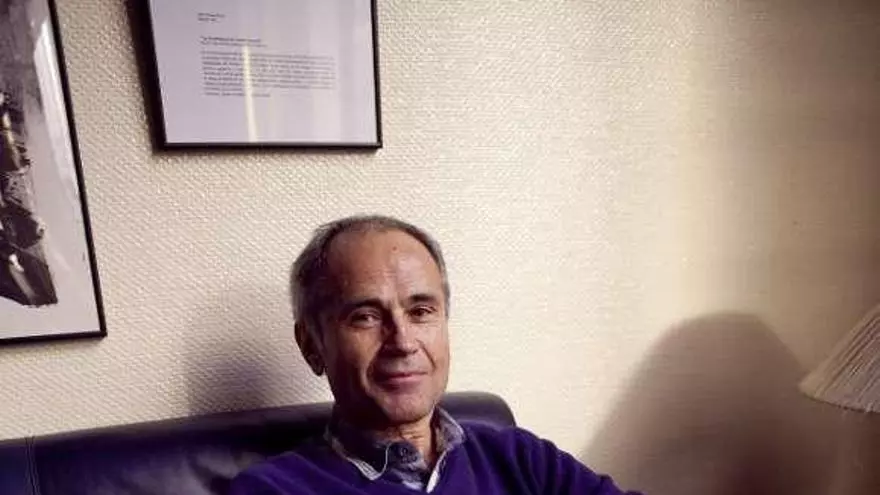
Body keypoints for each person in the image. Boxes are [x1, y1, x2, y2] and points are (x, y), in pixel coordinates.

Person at [229, 215, 640, 494]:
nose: (403, 341)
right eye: (365, 316)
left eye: (421, 311)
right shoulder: (272, 489)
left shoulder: (522, 459)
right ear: (311, 345)